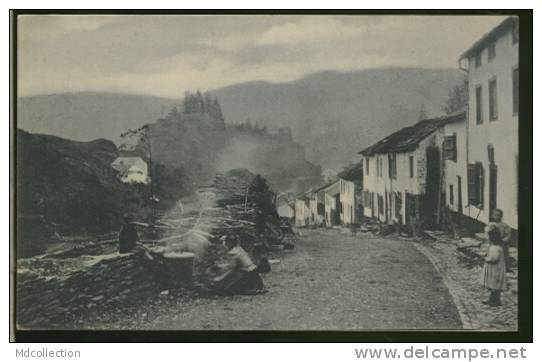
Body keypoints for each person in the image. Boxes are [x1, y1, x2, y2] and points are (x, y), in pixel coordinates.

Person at [482, 226, 506, 307]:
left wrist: (486, 258)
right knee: (495, 285)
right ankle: (494, 299)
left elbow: (493, 259)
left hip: (496, 270)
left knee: (495, 285)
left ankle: (494, 301)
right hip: (496, 269)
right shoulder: (497, 247)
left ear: (492, 238)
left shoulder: (495, 248)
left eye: (489, 237)